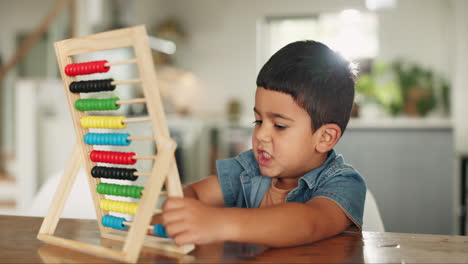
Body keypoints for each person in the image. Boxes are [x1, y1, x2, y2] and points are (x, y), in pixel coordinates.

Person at [152, 40, 367, 247]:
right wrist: (180, 213)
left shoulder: (344, 183)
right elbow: (194, 193)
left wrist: (220, 222)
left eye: (279, 125)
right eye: (259, 120)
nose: (261, 134)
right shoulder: (249, 168)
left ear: (325, 138)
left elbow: (308, 223)